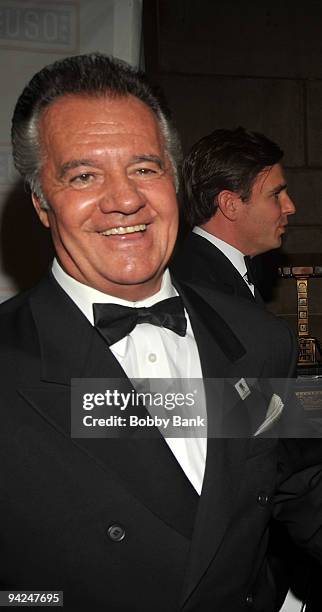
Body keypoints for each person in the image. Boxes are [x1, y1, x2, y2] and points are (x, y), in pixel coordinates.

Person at [0, 53, 321, 611]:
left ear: (173, 180)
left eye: (145, 168)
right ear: (41, 203)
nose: (125, 200)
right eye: (83, 175)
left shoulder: (259, 338)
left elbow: (300, 484)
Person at [171, 127, 296, 303]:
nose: (290, 207)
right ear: (230, 205)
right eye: (276, 195)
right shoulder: (200, 289)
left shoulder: (218, 272)